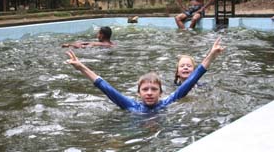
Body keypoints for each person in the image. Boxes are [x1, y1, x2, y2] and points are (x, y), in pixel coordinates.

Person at [65, 37, 224, 113]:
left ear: (160, 93)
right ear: (138, 93)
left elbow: (193, 79)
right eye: (145, 89)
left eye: (154, 89)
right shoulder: (130, 105)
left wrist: (211, 55)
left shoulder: (167, 102)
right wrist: (81, 67)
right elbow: (105, 87)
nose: (149, 93)